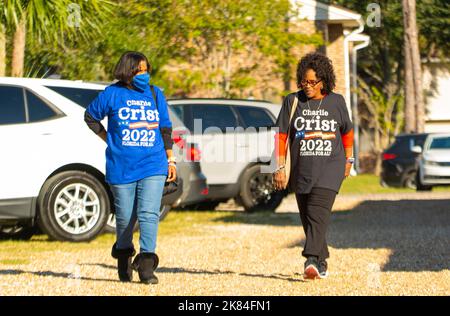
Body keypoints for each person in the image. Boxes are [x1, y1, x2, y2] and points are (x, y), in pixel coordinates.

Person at [84, 51, 176, 284]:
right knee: (125, 217)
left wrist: (170, 159)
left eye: (146, 70)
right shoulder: (112, 94)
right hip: (121, 166)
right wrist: (109, 139)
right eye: (139, 70)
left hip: (153, 163)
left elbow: (165, 128)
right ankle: (124, 258)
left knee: (148, 214)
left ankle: (146, 267)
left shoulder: (155, 94)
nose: (144, 75)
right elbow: (90, 117)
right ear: (128, 71)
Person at [273, 52, 354, 280]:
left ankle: (310, 258)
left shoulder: (336, 101)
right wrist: (279, 167)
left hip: (331, 166)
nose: (307, 86)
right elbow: (280, 135)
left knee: (318, 212)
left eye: (312, 82)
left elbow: (346, 131)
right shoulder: (293, 101)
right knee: (309, 216)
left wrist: (349, 160)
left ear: (323, 81)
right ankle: (322, 259)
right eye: (303, 81)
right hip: (302, 168)